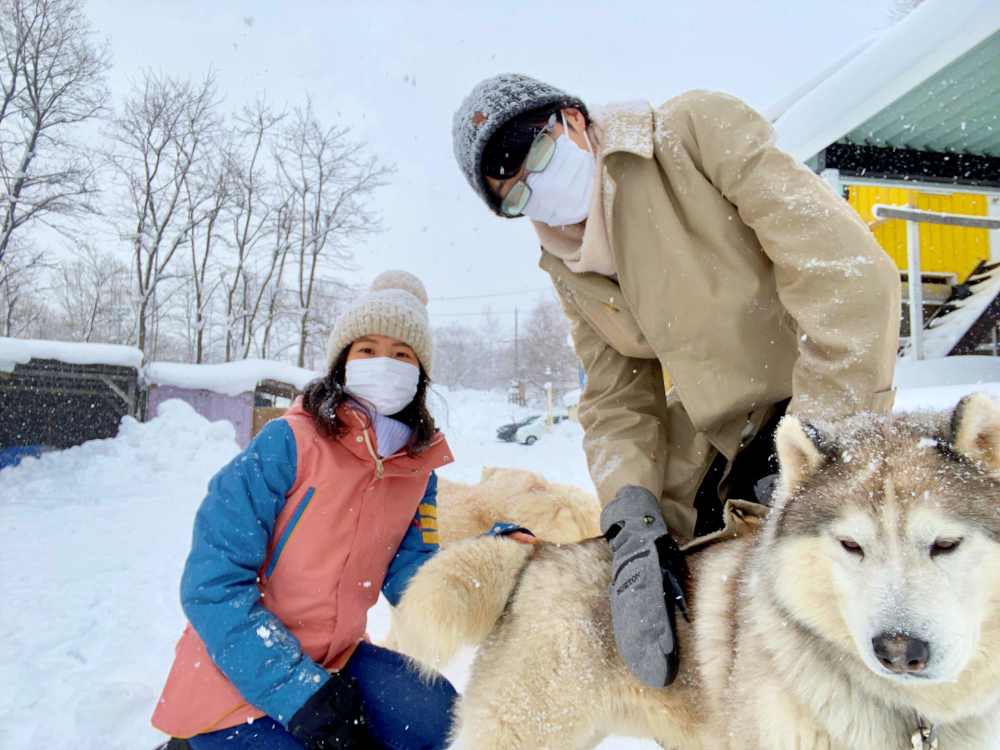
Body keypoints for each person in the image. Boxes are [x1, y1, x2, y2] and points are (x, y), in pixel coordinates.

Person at [452, 74, 900, 690]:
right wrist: (631, 519)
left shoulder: (691, 136)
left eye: (532, 159)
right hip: (716, 446)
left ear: (573, 120)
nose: (535, 194)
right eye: (512, 197)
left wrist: (812, 445)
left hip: (817, 401)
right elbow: (616, 397)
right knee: (697, 641)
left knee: (834, 635)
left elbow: (847, 278)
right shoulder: (566, 264)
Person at [150, 270, 531, 750]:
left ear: (420, 374)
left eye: (401, 353)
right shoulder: (286, 444)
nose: (383, 364)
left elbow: (415, 581)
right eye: (366, 349)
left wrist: (491, 555)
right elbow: (211, 586)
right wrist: (299, 693)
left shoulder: (415, 471)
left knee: (443, 721)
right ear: (341, 363)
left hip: (339, 658)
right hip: (239, 665)